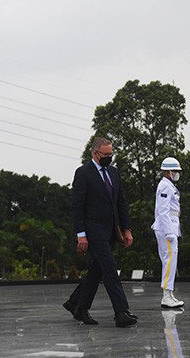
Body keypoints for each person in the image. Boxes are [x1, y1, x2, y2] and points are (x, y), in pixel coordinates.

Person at [63, 138, 138, 327]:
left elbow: (121, 202)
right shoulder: (83, 173)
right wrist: (81, 234)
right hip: (93, 231)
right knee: (110, 269)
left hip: (111, 230)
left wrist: (126, 229)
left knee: (97, 271)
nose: (109, 158)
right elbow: (77, 206)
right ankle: (121, 312)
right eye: (106, 155)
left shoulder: (114, 173)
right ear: (95, 154)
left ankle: (77, 305)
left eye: (111, 154)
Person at [152, 157, 185, 308]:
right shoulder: (165, 186)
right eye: (175, 171)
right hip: (167, 228)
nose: (177, 173)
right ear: (167, 171)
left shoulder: (168, 185)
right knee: (169, 261)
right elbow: (163, 211)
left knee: (171, 261)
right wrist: (168, 232)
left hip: (170, 226)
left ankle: (169, 293)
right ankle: (166, 296)